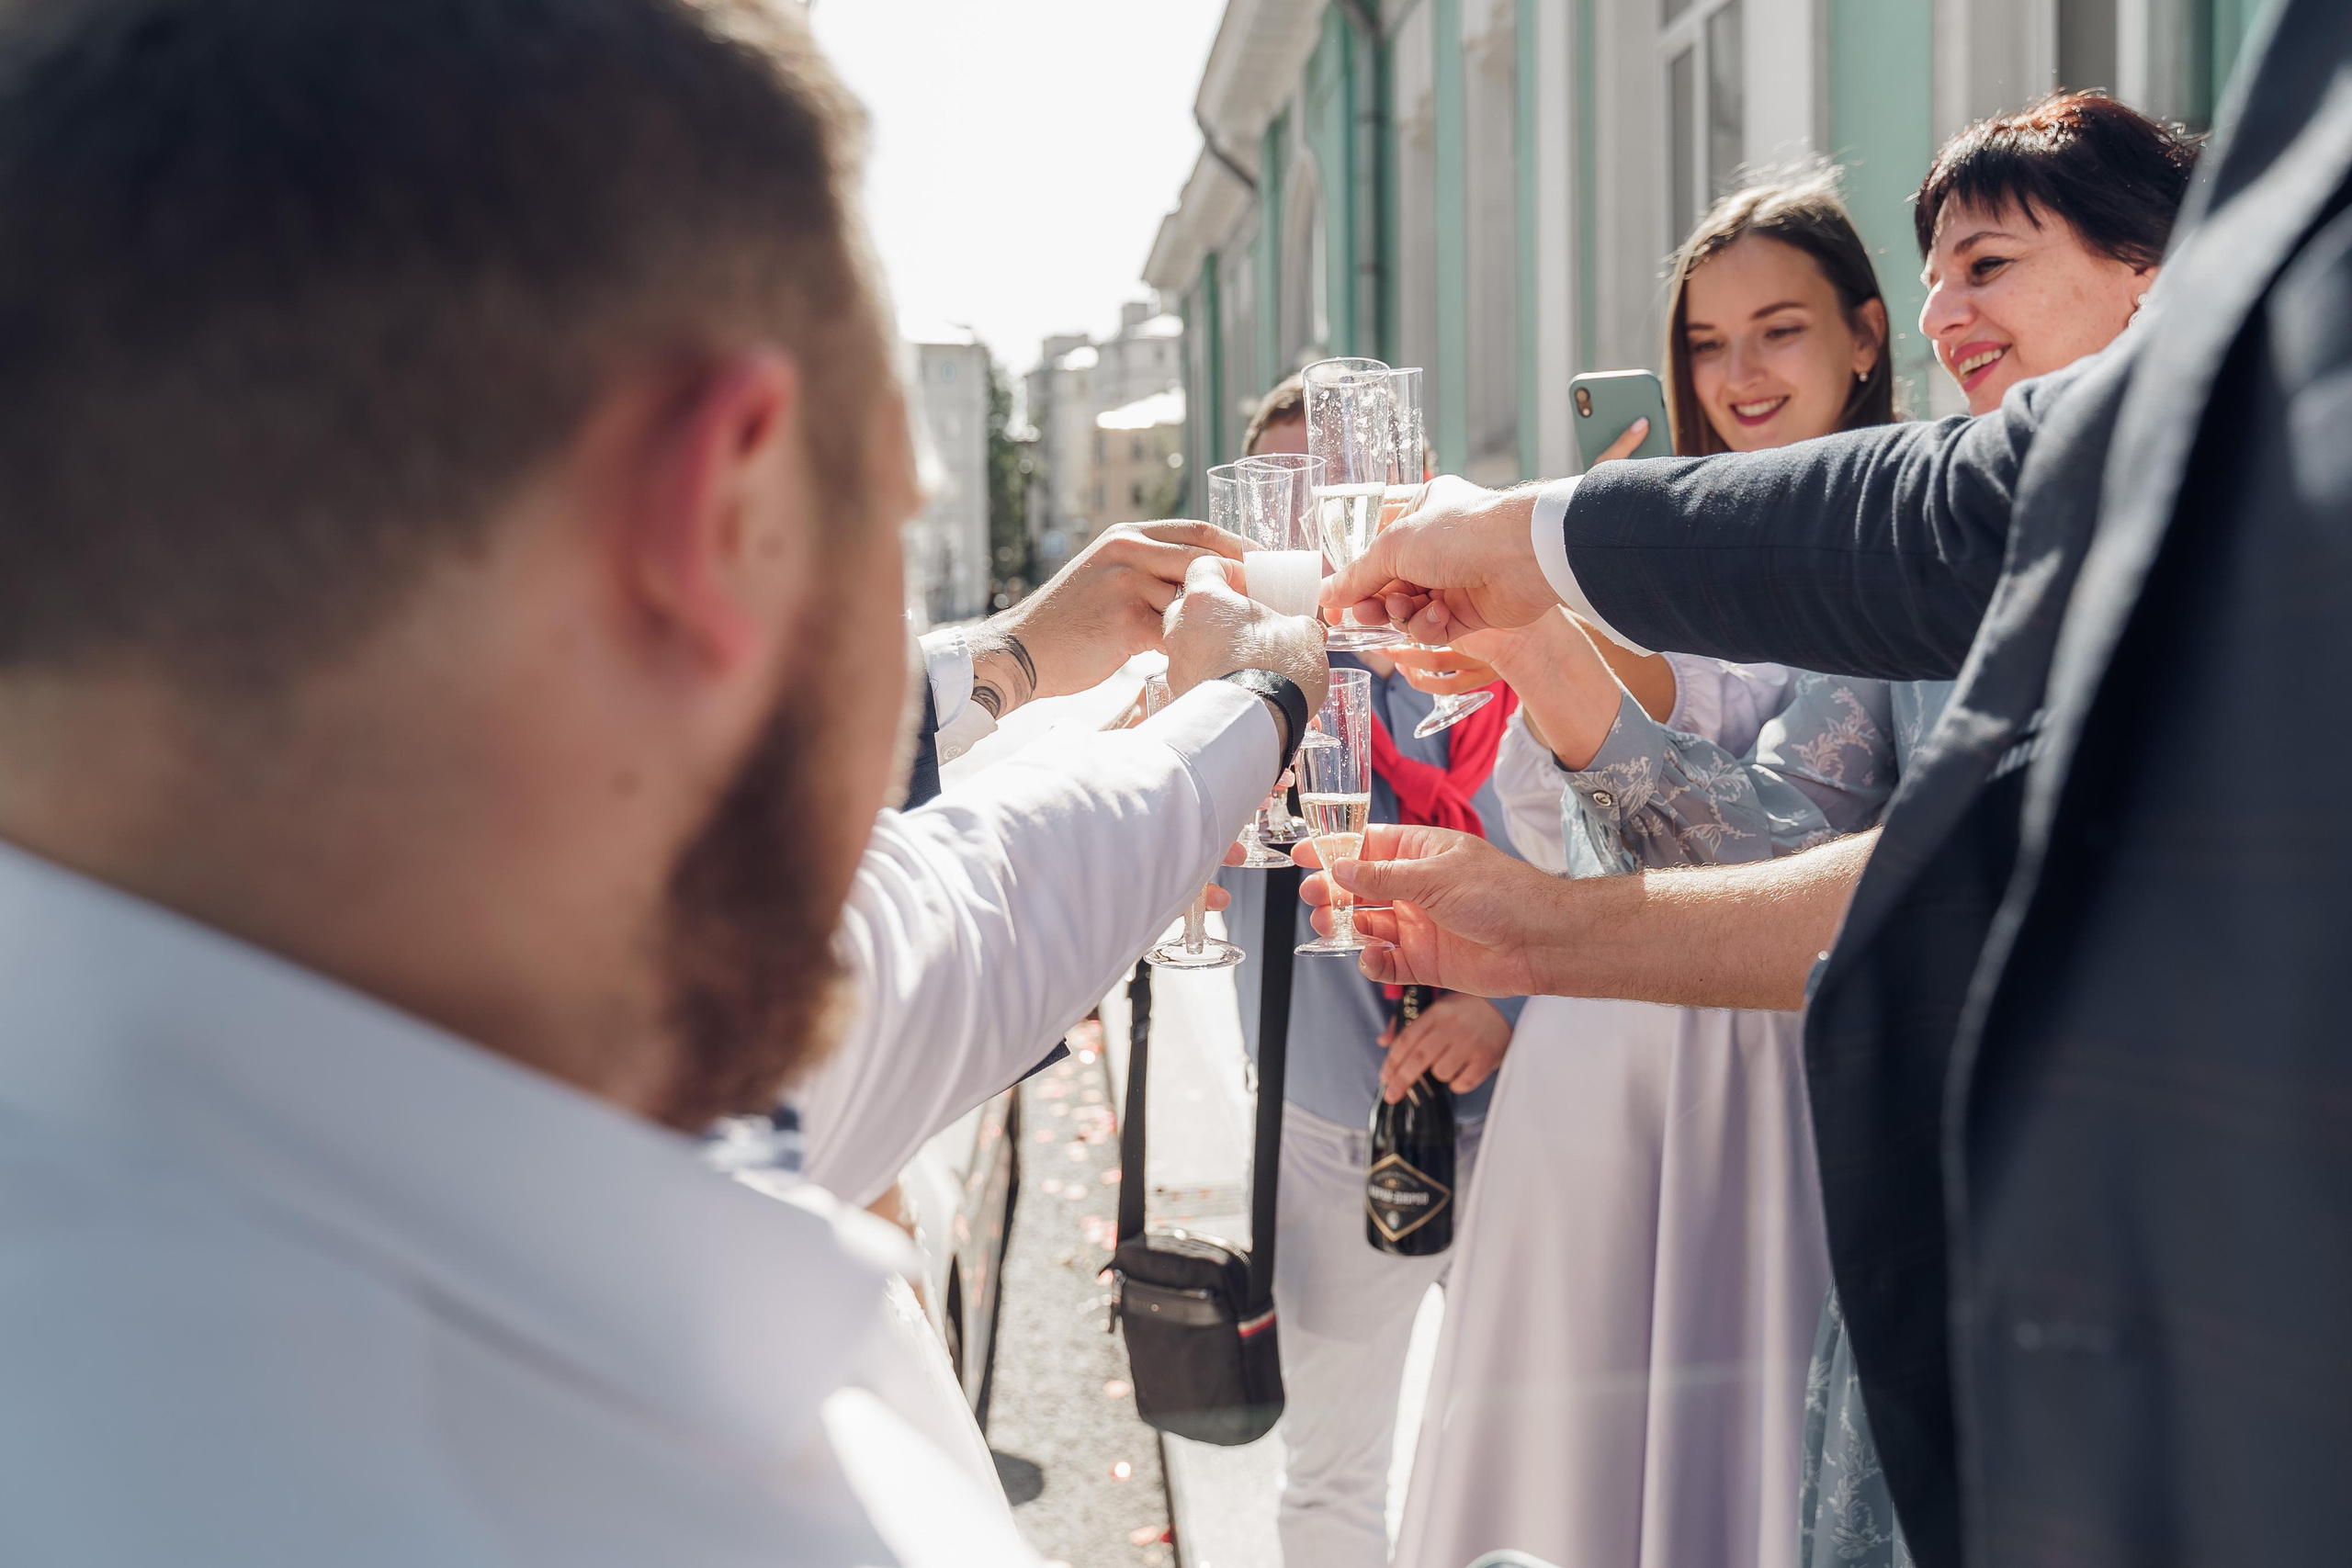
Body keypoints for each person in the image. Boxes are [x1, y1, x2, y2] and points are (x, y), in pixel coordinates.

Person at [0, 3, 1329, 1563]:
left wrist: (1240, 700)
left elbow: (983, 898)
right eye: (885, 517)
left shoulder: (529, 1008)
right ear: (724, 509)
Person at [1309, 6, 2352, 1561]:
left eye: (1986, 269)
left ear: (2159, 276)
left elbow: (1956, 853)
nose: (1948, 318)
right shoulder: (1980, 531)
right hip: (1936, 1203)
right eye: (1936, 281)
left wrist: (1538, 918)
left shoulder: (2157, 503)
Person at [1391, 172, 1888, 1568]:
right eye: (1706, 342)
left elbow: (1782, 838)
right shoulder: (1637, 538)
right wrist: (1565, 612)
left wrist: (1552, 647)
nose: (1736, 374)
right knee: (1564, 1471)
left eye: (1777, 331)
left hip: (1766, 1078)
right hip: (1594, 1065)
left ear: (1863, 335)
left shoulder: (1893, 550)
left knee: (1736, 1471)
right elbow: (1543, 818)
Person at [1209, 378, 1524, 1568]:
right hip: (1328, 1129)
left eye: (1343, 491)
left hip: (1509, 1119)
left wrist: (1504, 1000)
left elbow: (1588, 849)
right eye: (1285, 501)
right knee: (1334, 1477)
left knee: (1517, 1457)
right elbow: (1162, 868)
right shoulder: (1233, 686)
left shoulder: (1488, 650)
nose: (1320, 526)